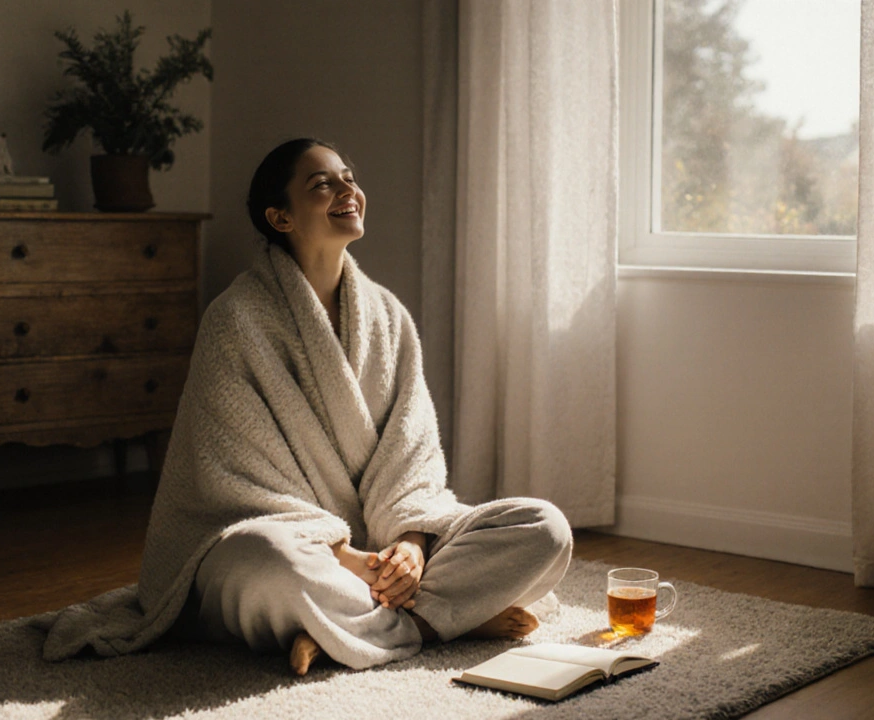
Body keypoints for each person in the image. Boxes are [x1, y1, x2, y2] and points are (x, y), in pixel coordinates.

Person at [41, 138, 572, 675]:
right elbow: (234, 487)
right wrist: (348, 559)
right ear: (280, 217)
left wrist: (410, 547)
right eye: (323, 184)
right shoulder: (235, 320)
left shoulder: (389, 318)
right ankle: (439, 620)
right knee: (269, 562)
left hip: (381, 549)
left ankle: (353, 631)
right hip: (304, 551)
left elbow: (412, 462)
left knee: (544, 528)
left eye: (349, 176)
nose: (348, 190)